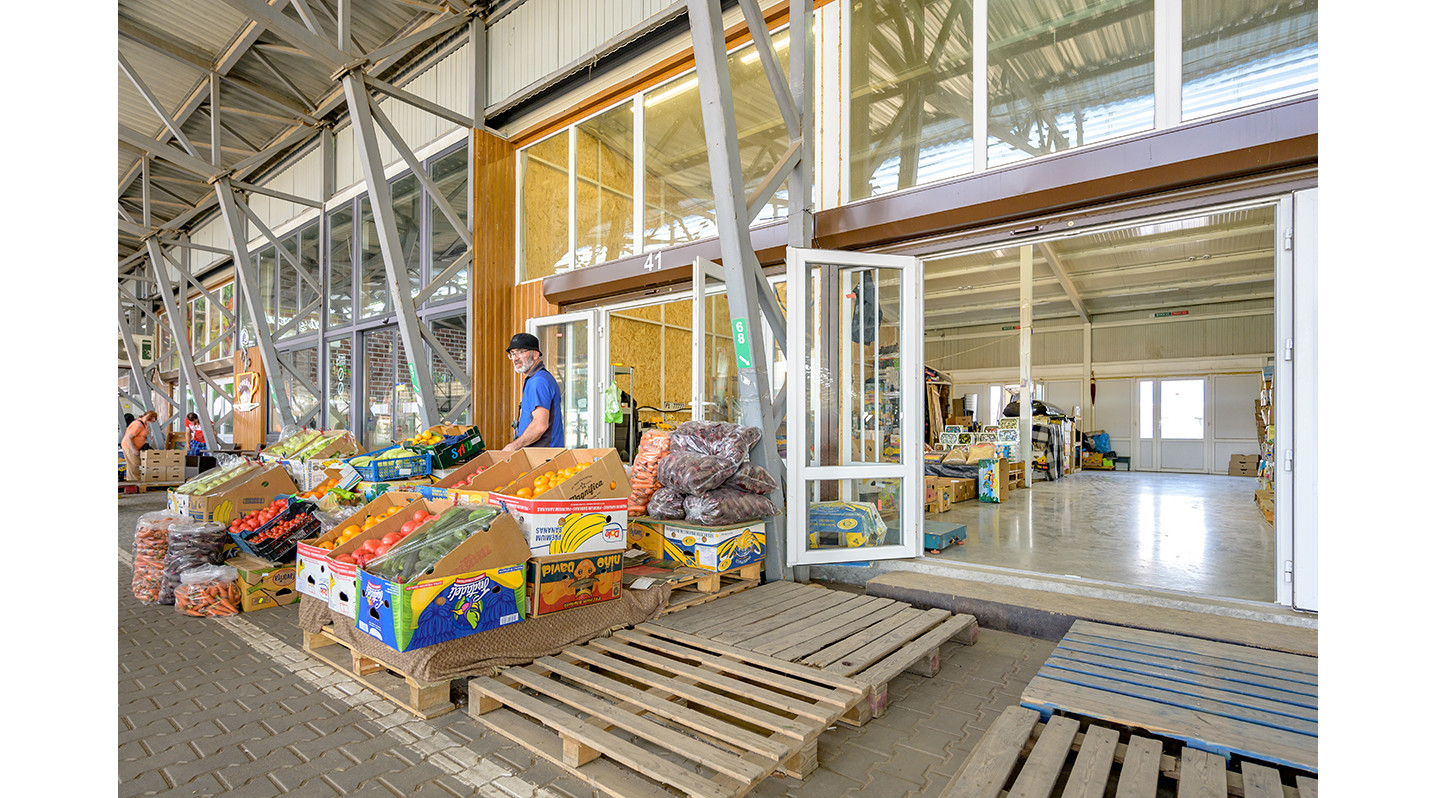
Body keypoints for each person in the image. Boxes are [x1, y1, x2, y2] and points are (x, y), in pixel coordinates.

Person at [502, 332, 564, 451]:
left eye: (520, 352)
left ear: (535, 354)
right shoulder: (534, 379)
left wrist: (514, 446)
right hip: (538, 454)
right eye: (512, 353)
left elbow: (539, 425)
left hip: (543, 456)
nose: (515, 358)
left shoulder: (539, 381)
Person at [122, 411, 157, 482]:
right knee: (133, 465)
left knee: (134, 464)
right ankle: (134, 482)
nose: (154, 420)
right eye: (154, 418)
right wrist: (133, 449)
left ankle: (133, 480)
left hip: (137, 447)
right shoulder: (138, 424)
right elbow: (128, 438)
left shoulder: (145, 424)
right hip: (129, 446)